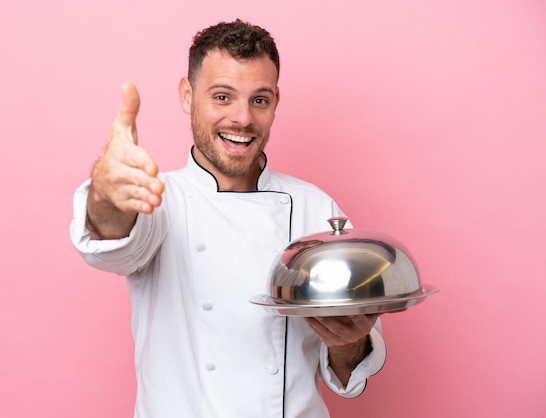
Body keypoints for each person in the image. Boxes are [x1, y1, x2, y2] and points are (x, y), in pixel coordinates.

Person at [70, 19, 386, 418]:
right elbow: (110, 242)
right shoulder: (158, 199)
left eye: (259, 100)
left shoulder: (316, 209)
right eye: (222, 97)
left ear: (275, 101)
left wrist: (347, 341)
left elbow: (348, 371)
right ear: (187, 96)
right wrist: (106, 190)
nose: (242, 119)